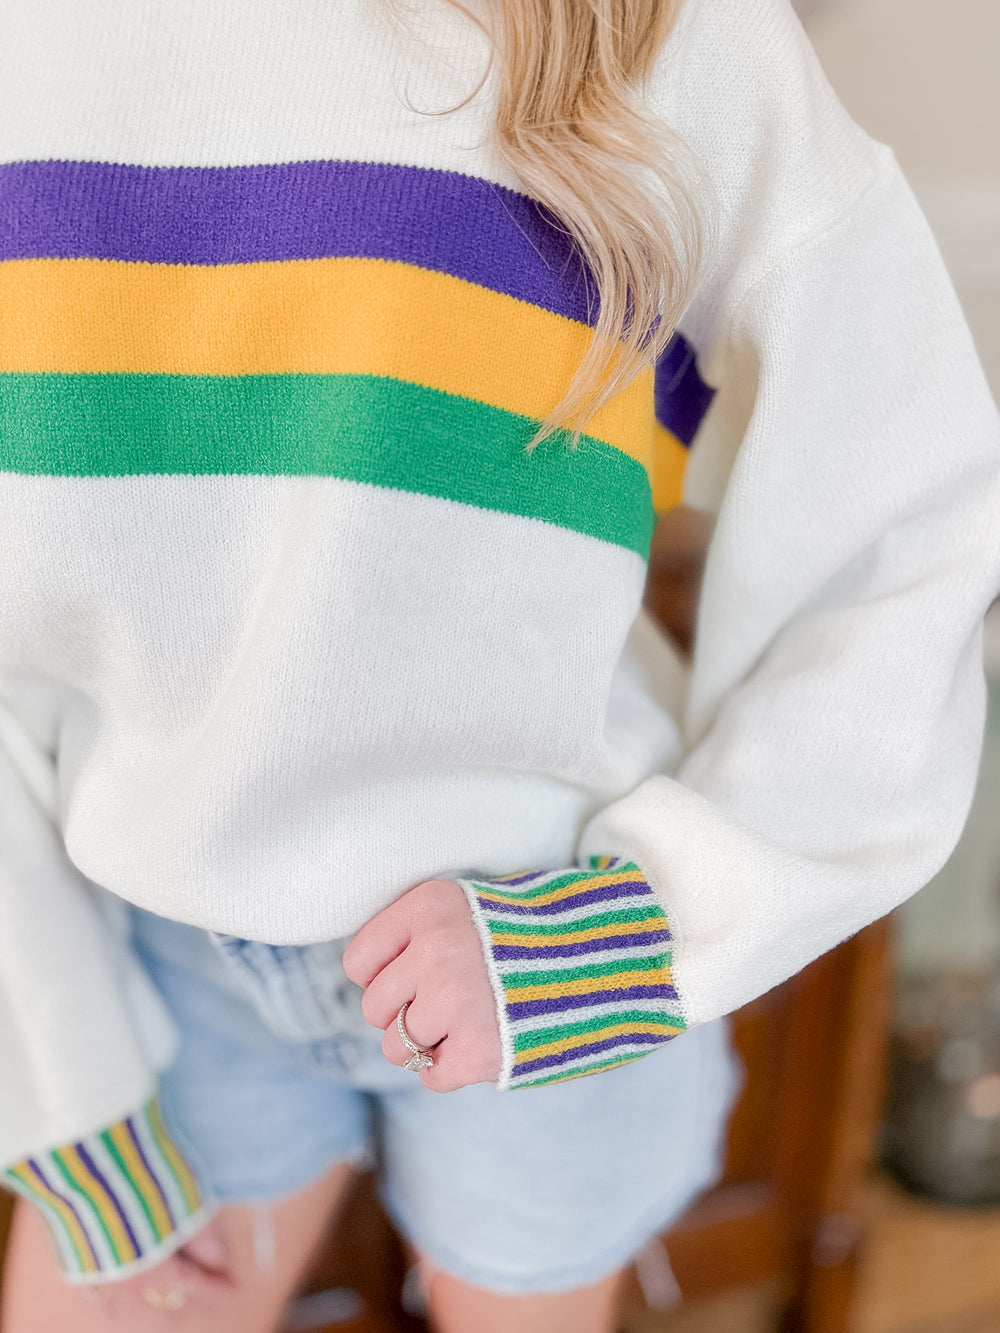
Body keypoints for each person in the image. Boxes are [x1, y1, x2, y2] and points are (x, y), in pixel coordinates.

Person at [1, 0, 998, 1329]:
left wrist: (642, 923)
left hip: (554, 922)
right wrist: (61, 1094)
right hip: (153, 942)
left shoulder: (679, 39)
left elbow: (910, 531)